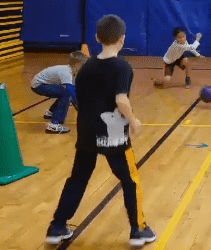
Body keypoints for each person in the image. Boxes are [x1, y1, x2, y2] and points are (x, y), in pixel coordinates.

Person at [45, 14, 156, 247]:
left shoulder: (85, 67)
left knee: (77, 179)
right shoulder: (122, 67)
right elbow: (120, 99)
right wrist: (133, 119)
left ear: (97, 37)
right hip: (114, 136)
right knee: (130, 180)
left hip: (87, 134)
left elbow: (82, 100)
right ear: (122, 40)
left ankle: (57, 226)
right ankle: (138, 229)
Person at [31, 51, 88, 134]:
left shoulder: (73, 72)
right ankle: (54, 125)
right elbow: (71, 93)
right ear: (75, 64)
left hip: (45, 84)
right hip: (39, 85)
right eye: (83, 65)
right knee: (66, 94)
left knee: (64, 93)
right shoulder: (67, 73)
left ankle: (51, 113)